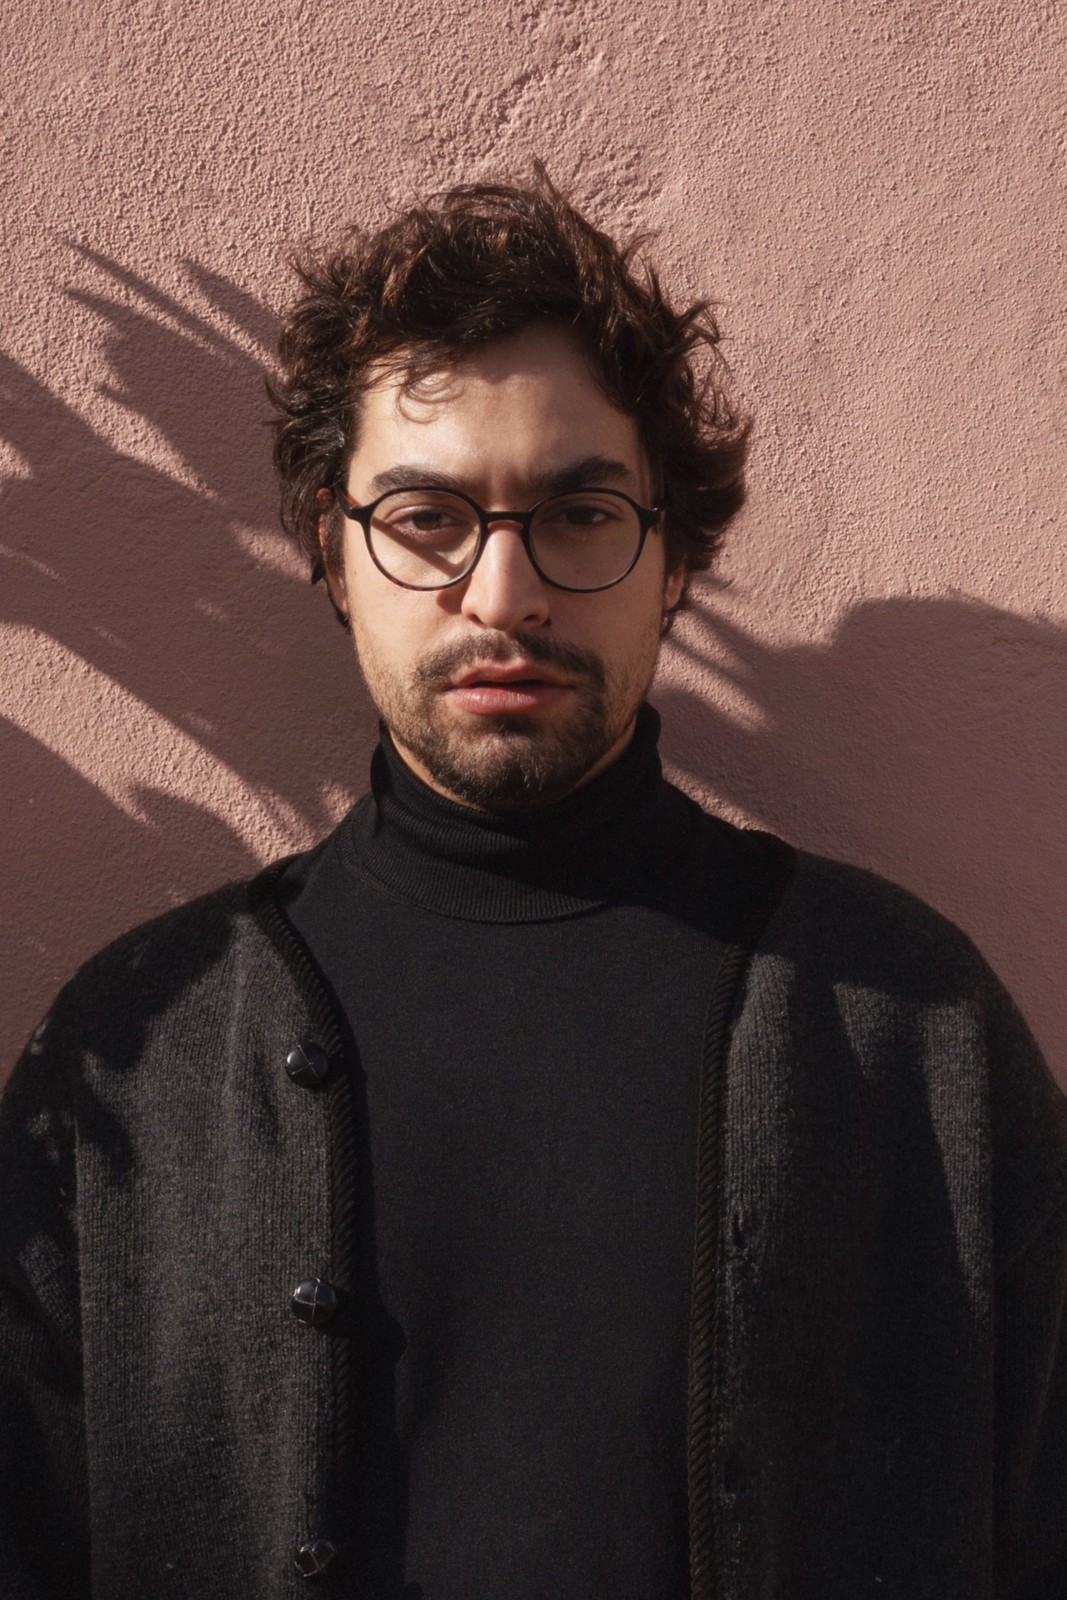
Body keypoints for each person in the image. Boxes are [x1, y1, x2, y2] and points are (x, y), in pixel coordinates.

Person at [1, 172, 1065, 1600]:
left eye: (580, 514)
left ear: (673, 557)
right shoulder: (134, 1063)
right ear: (330, 548)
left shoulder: (915, 1034)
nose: (503, 597)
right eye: (426, 518)